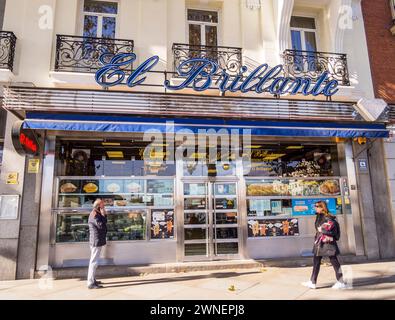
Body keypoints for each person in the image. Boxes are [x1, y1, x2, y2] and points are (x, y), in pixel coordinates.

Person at [302, 201, 346, 290]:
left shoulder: (328, 217)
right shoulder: (319, 216)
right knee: (316, 261)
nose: (315, 207)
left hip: (327, 242)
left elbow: (333, 231)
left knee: (334, 261)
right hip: (320, 242)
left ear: (322, 207)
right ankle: (312, 282)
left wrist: (322, 230)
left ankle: (341, 282)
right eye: (315, 206)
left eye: (317, 206)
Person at [87, 198, 107, 289]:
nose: (104, 207)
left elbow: (104, 222)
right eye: (103, 205)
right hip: (96, 241)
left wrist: (103, 214)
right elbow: (101, 226)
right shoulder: (95, 214)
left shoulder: (97, 213)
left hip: (97, 240)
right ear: (98, 206)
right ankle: (90, 283)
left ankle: (93, 279)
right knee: (94, 262)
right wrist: (103, 214)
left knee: (94, 261)